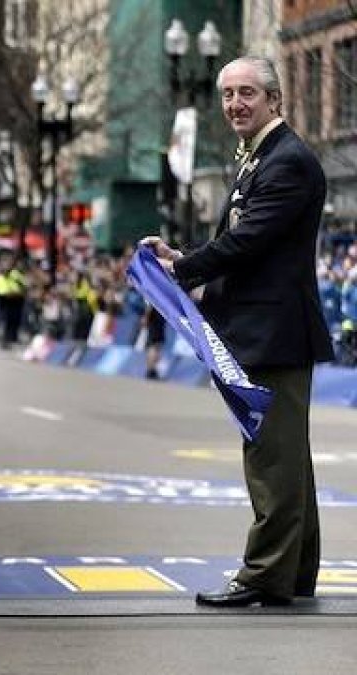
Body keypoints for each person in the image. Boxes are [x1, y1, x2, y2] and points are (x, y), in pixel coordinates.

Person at [143, 56, 334, 608]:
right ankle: (293, 572)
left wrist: (184, 269)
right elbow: (244, 239)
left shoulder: (288, 161)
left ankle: (263, 576)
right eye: (227, 95)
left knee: (271, 460)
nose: (234, 105)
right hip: (260, 327)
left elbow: (248, 240)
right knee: (286, 456)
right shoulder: (261, 158)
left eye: (246, 93)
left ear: (275, 99)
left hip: (272, 331)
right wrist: (185, 258)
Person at [0, 255, 28, 349]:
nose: (7, 266)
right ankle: (4, 340)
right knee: (5, 321)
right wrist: (15, 293)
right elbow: (2, 292)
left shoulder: (16, 274)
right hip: (5, 302)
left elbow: (24, 284)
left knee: (15, 320)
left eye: (9, 263)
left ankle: (13, 338)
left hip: (17, 301)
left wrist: (21, 291)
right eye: (5, 264)